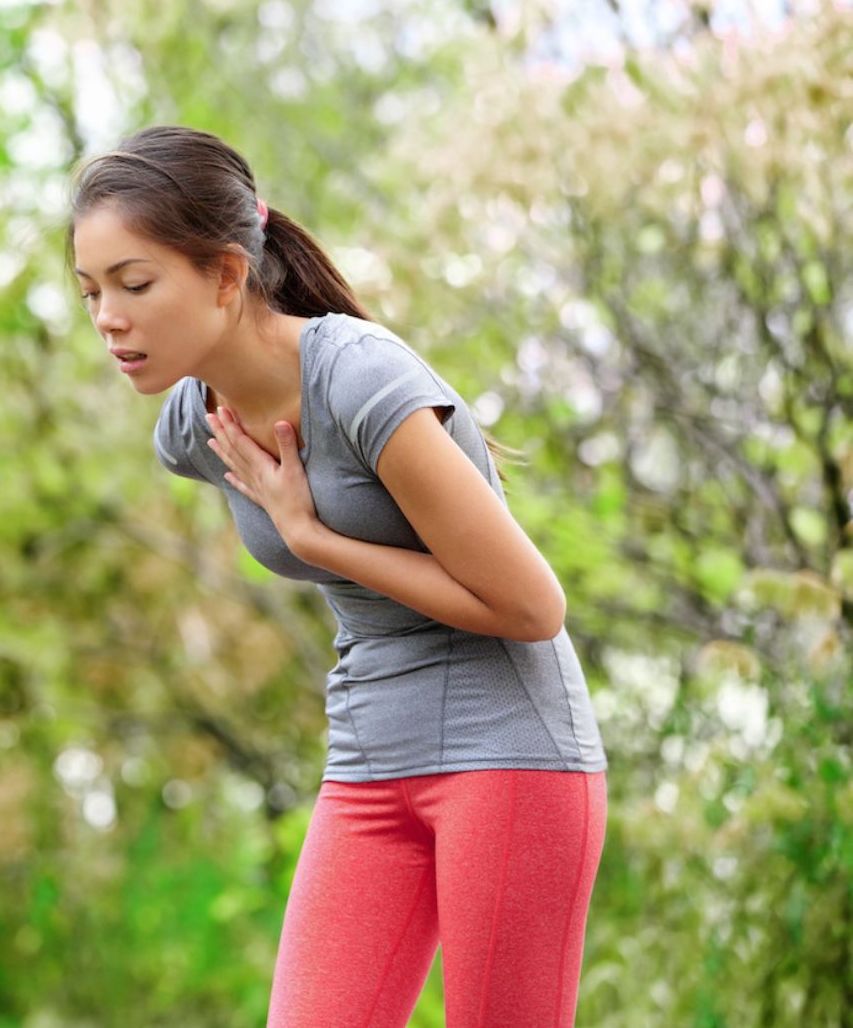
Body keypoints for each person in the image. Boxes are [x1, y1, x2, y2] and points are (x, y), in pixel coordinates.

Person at [66, 124, 609, 1027]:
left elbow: (531, 606)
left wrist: (316, 540)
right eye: (90, 292)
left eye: (135, 283)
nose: (108, 319)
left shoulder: (358, 380)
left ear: (229, 274)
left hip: (508, 751)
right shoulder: (190, 428)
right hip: (366, 758)